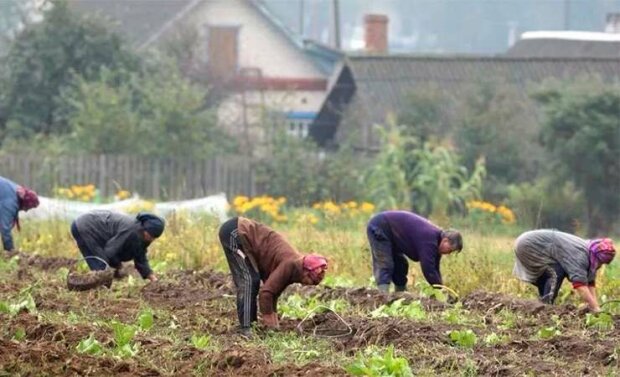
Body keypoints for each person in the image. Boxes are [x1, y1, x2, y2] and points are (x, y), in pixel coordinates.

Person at [218, 216, 328, 336]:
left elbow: (273, 293)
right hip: (235, 232)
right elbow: (266, 294)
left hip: (239, 231)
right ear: (306, 271)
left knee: (252, 280)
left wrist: (275, 325)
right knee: (249, 280)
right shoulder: (290, 265)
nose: (306, 284)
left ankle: (251, 327)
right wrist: (271, 327)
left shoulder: (294, 267)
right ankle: (246, 328)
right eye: (310, 281)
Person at [513, 229, 615, 312]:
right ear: (597, 258)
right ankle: (546, 308)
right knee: (556, 272)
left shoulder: (590, 252)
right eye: (601, 263)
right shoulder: (580, 256)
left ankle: (541, 305)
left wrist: (595, 306)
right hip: (529, 245)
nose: (600, 266)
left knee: (552, 274)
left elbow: (590, 283)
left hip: (530, 243)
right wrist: (595, 308)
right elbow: (581, 286)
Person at [366, 210, 462, 292]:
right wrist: (440, 290)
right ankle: (382, 296)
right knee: (385, 263)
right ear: (445, 240)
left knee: (401, 265)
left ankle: (400, 294)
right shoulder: (430, 239)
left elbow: (435, 269)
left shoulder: (436, 242)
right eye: (450, 250)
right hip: (381, 226)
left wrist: (441, 288)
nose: (448, 253)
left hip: (393, 237)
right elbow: (428, 269)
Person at [70, 210, 165, 282]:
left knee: (104, 269)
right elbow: (111, 250)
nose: (152, 239)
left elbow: (140, 257)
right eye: (151, 235)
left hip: (91, 228)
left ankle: (99, 287)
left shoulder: (142, 235)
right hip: (86, 226)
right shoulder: (131, 230)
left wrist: (153, 278)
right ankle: (91, 288)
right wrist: (117, 267)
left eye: (154, 237)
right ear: (146, 229)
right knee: (102, 267)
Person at [0, 176, 40, 254]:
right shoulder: (11, 202)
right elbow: (5, 229)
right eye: (28, 208)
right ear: (25, 202)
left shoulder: (17, 190)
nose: (25, 211)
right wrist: (10, 251)